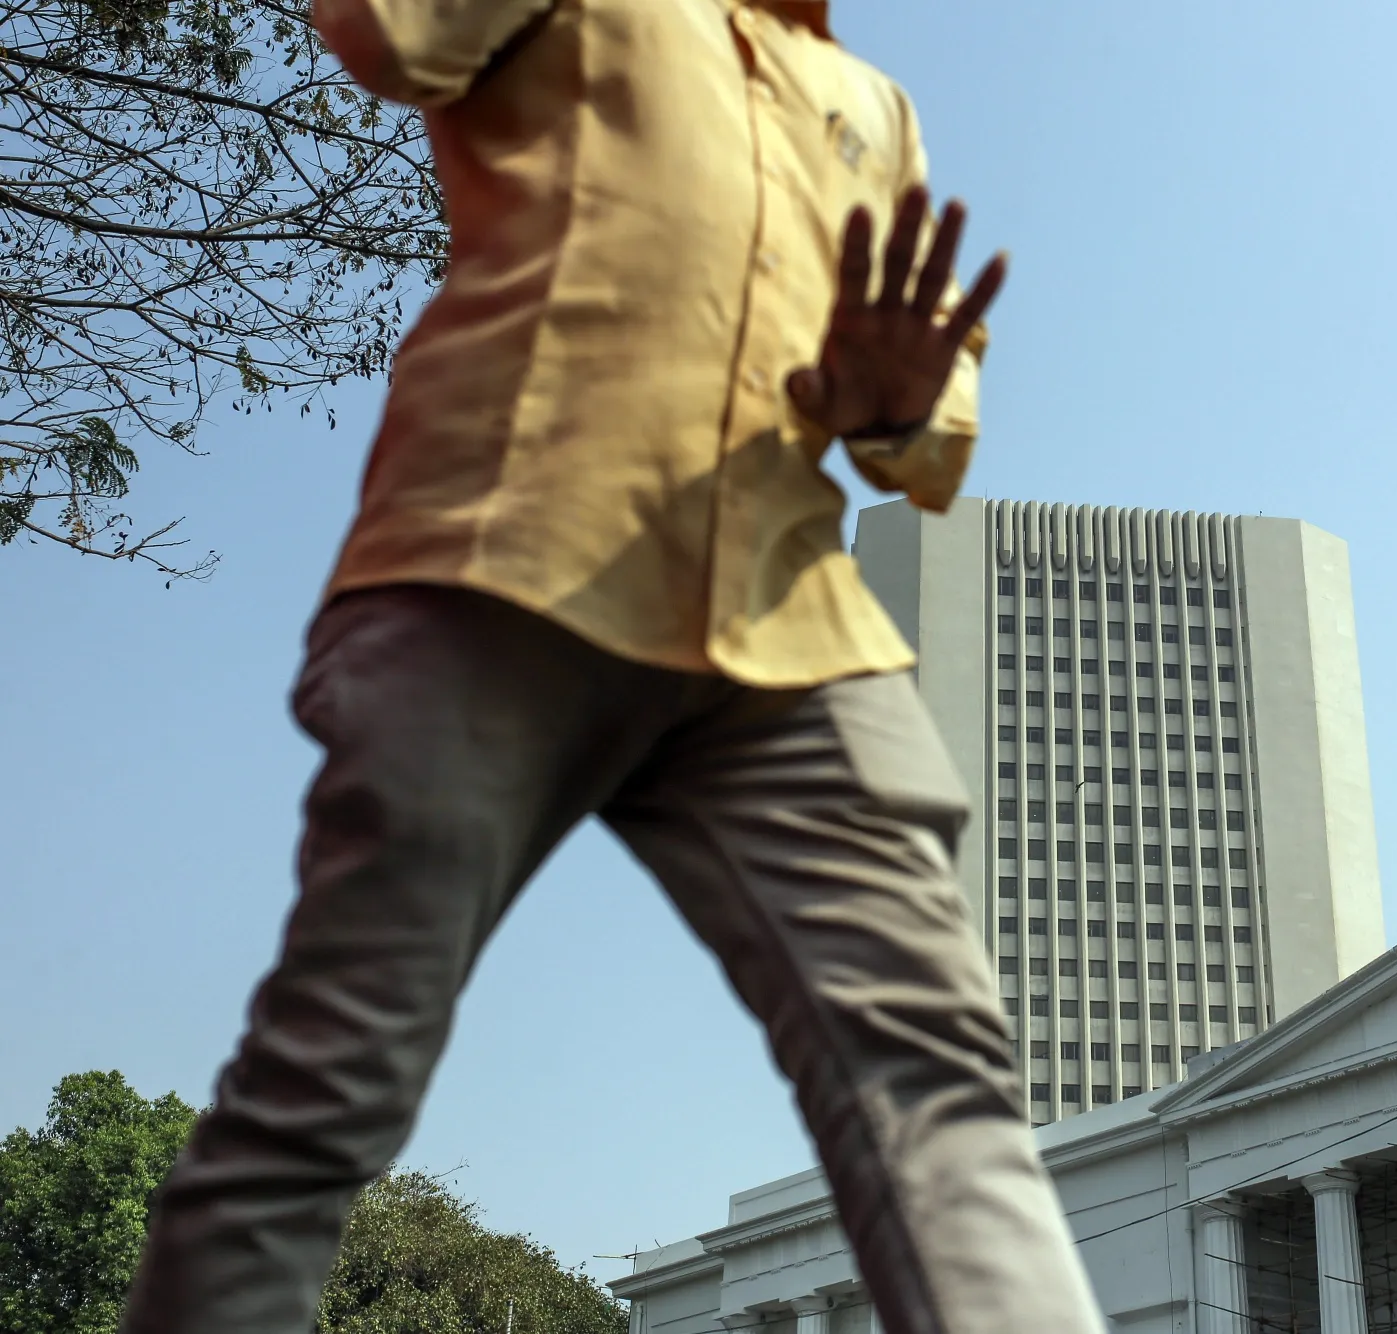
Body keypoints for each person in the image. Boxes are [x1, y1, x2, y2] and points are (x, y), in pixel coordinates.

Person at [117, 2, 1103, 1331]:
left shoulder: (873, 103)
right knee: (336, 1072)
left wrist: (897, 398)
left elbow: (930, 441)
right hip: (506, 550)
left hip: (793, 622)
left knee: (941, 1081)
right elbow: (383, 38)